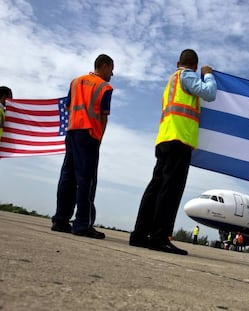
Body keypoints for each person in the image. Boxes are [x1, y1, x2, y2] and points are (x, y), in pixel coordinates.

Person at [129, 49, 217, 255]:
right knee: (171, 190)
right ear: (195, 66)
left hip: (164, 138)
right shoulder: (186, 76)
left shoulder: (171, 81)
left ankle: (140, 234)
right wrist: (209, 75)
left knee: (155, 187)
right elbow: (210, 93)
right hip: (180, 139)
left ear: (178, 62)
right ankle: (159, 237)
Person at [51, 54, 114, 239]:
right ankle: (82, 224)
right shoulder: (105, 87)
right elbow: (103, 116)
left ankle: (60, 220)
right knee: (86, 180)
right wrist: (99, 138)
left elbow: (67, 107)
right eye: (111, 69)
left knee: (67, 177)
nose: (112, 73)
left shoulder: (76, 81)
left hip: (72, 131)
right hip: (89, 136)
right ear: (104, 66)